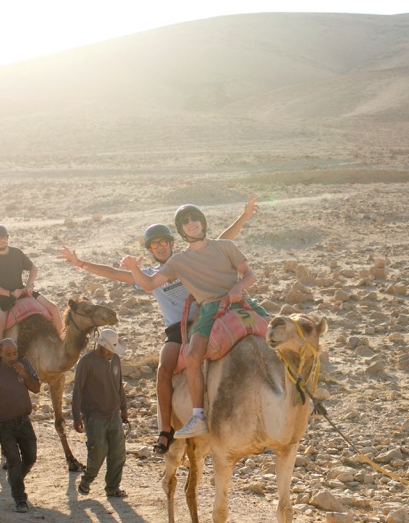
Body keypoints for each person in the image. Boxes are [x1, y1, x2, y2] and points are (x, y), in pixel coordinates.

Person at [58, 196, 259, 454]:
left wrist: (244, 216)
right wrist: (81, 264)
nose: (160, 247)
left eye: (164, 242)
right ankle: (166, 430)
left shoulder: (190, 259)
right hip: (177, 328)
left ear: (172, 243)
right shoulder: (152, 275)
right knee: (164, 370)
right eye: (154, 244)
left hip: (209, 315)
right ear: (150, 250)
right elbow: (114, 273)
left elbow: (221, 240)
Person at [117, 204, 266, 439]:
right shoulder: (179, 262)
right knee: (193, 355)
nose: (191, 223)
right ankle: (198, 416)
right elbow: (148, 284)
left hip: (240, 300)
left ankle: (301, 394)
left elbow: (250, 274)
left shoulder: (225, 246)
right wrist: (134, 268)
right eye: (185, 221)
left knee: (282, 334)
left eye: (194, 218)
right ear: (181, 230)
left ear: (203, 222)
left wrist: (238, 287)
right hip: (209, 308)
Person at [0, 224, 64, 349]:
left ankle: (59, 344)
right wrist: (10, 293)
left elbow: (33, 268)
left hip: (22, 290)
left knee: (54, 308)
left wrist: (29, 284)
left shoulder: (16, 253)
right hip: (1, 297)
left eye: (4, 237)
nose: (2, 240)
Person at [72, 327, 129, 497]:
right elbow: (77, 390)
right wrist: (76, 416)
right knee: (98, 452)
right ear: (100, 345)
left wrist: (124, 408)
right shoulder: (86, 362)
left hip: (114, 413)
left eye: (113, 349)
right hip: (94, 416)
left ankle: (113, 488)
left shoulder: (115, 359)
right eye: (108, 349)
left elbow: (119, 385)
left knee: (118, 454)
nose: (110, 352)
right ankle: (87, 480)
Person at [0, 338, 40, 513]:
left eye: (14, 353)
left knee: (30, 457)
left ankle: (15, 479)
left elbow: (36, 388)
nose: (12, 357)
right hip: (3, 424)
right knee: (14, 461)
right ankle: (20, 499)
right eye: (8, 354)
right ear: (0, 353)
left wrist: (24, 374)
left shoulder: (24, 363)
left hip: (23, 420)